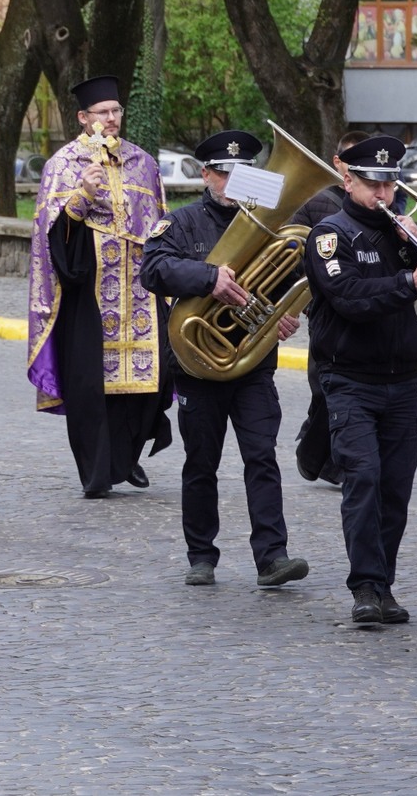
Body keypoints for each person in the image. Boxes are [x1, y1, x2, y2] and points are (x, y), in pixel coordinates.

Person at [141, 130, 309, 589]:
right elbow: (152, 269)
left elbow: (292, 280)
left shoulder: (273, 226)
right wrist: (208, 278)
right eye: (226, 174)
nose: (235, 183)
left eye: (245, 174)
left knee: (262, 458)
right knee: (201, 462)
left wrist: (286, 314)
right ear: (206, 175)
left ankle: (273, 557)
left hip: (253, 362)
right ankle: (201, 555)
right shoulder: (181, 224)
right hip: (198, 365)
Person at [300, 134, 417, 626]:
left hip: (403, 379)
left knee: (396, 487)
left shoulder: (399, 233)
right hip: (349, 378)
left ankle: (385, 584)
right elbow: (350, 298)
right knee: (364, 480)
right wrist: (407, 282)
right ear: (349, 180)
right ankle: (365, 586)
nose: (384, 194)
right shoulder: (329, 235)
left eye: (390, 183)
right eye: (374, 184)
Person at [28, 75, 172, 498]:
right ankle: (97, 470)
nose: (111, 119)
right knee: (92, 386)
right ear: (83, 117)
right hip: (88, 293)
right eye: (102, 113)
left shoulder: (143, 162)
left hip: (141, 293)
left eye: (116, 111)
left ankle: (126, 458)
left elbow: (160, 221)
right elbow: (50, 236)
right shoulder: (63, 165)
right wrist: (80, 198)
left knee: (150, 381)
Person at [289, 130, 368, 486]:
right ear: (337, 164)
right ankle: (320, 455)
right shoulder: (315, 201)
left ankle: (324, 455)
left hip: (366, 309)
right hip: (325, 311)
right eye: (353, 164)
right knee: (323, 387)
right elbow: (292, 253)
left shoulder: (380, 202)